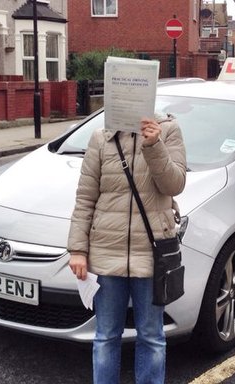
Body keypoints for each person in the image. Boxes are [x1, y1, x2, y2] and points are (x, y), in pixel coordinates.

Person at [67, 113, 187, 384]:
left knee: (151, 336)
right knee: (106, 336)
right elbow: (85, 198)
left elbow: (175, 184)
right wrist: (77, 249)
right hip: (106, 253)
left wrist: (154, 145)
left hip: (150, 254)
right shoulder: (101, 137)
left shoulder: (168, 131)